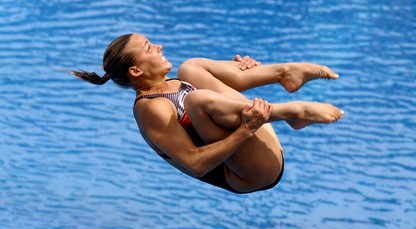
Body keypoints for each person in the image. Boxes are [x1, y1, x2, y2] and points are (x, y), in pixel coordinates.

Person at [69, 33, 344, 194]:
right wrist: (246, 129)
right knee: (198, 101)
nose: (160, 47)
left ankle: (284, 74)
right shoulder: (150, 108)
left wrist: (244, 67)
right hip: (252, 173)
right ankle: (290, 112)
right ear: (136, 71)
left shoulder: (174, 82)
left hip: (258, 138)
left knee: (192, 67)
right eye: (149, 49)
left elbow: (231, 84)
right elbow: (196, 164)